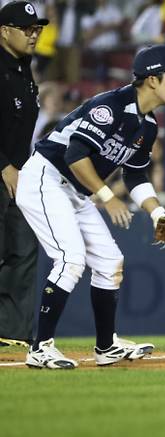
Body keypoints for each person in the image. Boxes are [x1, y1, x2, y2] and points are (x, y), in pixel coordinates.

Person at [15, 44, 165, 369]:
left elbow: (135, 174)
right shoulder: (110, 106)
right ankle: (40, 348)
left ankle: (106, 346)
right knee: (71, 259)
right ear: (152, 79)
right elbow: (74, 156)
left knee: (111, 261)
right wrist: (108, 197)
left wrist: (156, 213)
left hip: (76, 191)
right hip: (45, 178)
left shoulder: (148, 125)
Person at [0, 1, 49, 348]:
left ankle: (12, 332)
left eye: (37, 29)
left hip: (19, 173)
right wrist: (4, 165)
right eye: (26, 29)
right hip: (4, 169)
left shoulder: (23, 67)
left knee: (23, 249)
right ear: (4, 32)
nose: (33, 35)